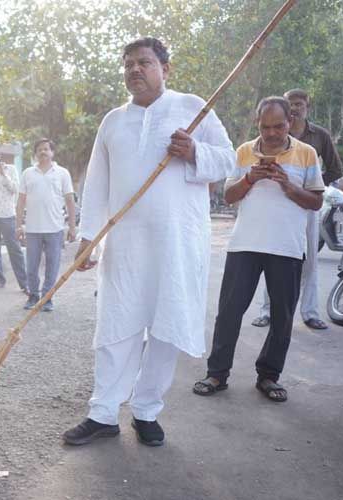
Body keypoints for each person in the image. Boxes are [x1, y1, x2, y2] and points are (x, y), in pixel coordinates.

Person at [65, 37, 236, 447]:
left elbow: (228, 160)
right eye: (128, 64)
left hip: (176, 242)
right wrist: (89, 236)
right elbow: (98, 182)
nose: (134, 70)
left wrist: (194, 151)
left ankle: (146, 411)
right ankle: (103, 413)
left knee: (166, 325)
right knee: (117, 323)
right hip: (125, 243)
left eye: (144, 62)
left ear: (165, 68)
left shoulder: (193, 107)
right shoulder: (112, 121)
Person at [194, 96, 324, 403]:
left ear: (290, 122)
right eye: (266, 127)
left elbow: (316, 201)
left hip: (287, 248)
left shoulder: (306, 153)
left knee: (282, 317)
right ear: (257, 124)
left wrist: (288, 185)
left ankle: (268, 376)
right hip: (244, 245)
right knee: (229, 312)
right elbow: (229, 196)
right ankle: (217, 373)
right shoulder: (243, 151)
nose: (272, 133)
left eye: (278, 126)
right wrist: (250, 177)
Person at [251, 89, 343, 330]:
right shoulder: (275, 131)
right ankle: (267, 311)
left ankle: (310, 312)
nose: (295, 108)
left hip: (308, 203)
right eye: (290, 104)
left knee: (310, 258)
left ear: (307, 107)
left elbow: (336, 169)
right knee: (273, 254)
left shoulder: (320, 136)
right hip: (277, 202)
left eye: (299, 104)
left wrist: (311, 184)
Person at [16, 138, 76, 312]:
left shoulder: (62, 173)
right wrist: (18, 226)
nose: (43, 152)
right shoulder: (28, 173)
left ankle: (47, 298)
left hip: (55, 228)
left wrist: (72, 227)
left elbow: (70, 200)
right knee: (31, 266)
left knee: (52, 266)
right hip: (32, 229)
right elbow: (21, 201)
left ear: (52, 152)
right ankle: (33, 296)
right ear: (35, 154)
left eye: (46, 149)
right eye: (39, 150)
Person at [0, 149, 27, 292]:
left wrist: (3, 174)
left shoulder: (11, 169)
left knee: (14, 249)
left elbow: (15, 189)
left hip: (7, 214)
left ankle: (24, 283)